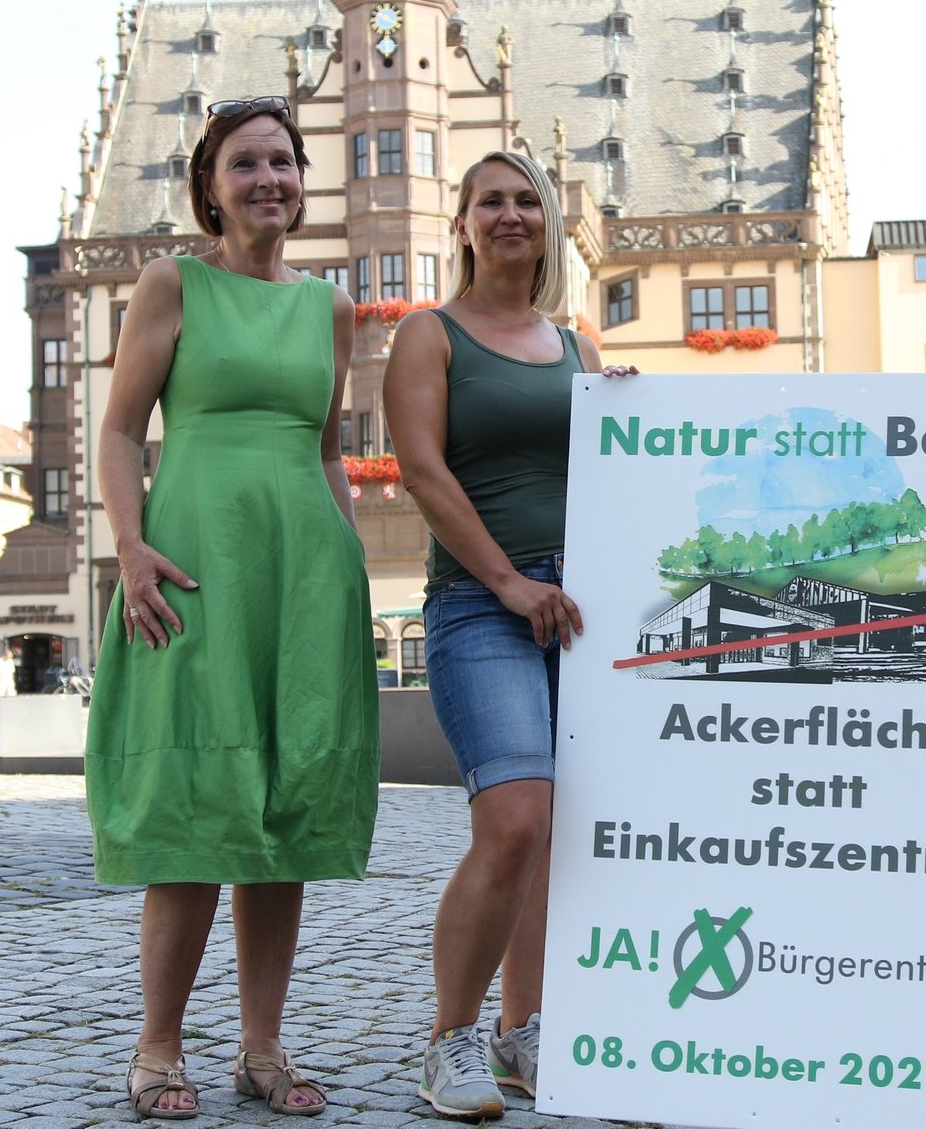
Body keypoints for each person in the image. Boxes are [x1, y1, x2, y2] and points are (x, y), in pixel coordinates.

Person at [83, 94, 379, 1120]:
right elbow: (121, 431)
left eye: (284, 163)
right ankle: (157, 1046)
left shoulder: (329, 308)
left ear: (304, 180)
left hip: (303, 571)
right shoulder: (173, 284)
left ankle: (261, 1045)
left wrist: (345, 565)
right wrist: (130, 547)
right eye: (246, 164)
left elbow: (327, 449)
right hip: (197, 561)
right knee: (198, 805)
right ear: (210, 186)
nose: (269, 180)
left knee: (284, 806)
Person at [385, 149, 632, 1121]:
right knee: (515, 817)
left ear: (549, 223)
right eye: (488, 200)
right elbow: (422, 473)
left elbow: (615, 472)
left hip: (577, 608)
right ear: (461, 225)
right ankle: (450, 1037)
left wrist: (639, 414)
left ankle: (522, 1030)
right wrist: (506, 579)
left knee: (555, 833)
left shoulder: (575, 345)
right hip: (478, 605)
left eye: (525, 198)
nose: (509, 213)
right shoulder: (429, 335)